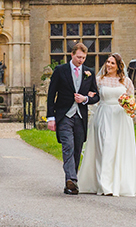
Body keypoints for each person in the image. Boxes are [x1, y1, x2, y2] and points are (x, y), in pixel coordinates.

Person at [78, 53, 136, 197]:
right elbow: (93, 97)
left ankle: (118, 183)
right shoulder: (98, 80)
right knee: (105, 146)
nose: (108, 65)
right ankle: (104, 185)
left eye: (112, 63)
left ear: (118, 66)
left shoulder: (126, 82)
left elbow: (132, 101)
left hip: (120, 118)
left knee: (118, 149)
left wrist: (129, 107)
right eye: (108, 62)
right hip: (104, 115)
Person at [45, 42, 101, 195]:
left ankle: (69, 183)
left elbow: (96, 95)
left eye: (83, 58)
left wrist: (85, 99)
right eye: (78, 57)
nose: (81, 60)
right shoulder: (60, 70)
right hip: (64, 116)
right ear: (72, 55)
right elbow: (51, 95)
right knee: (68, 146)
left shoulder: (89, 72)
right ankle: (72, 179)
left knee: (76, 149)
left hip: (80, 117)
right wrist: (50, 117)